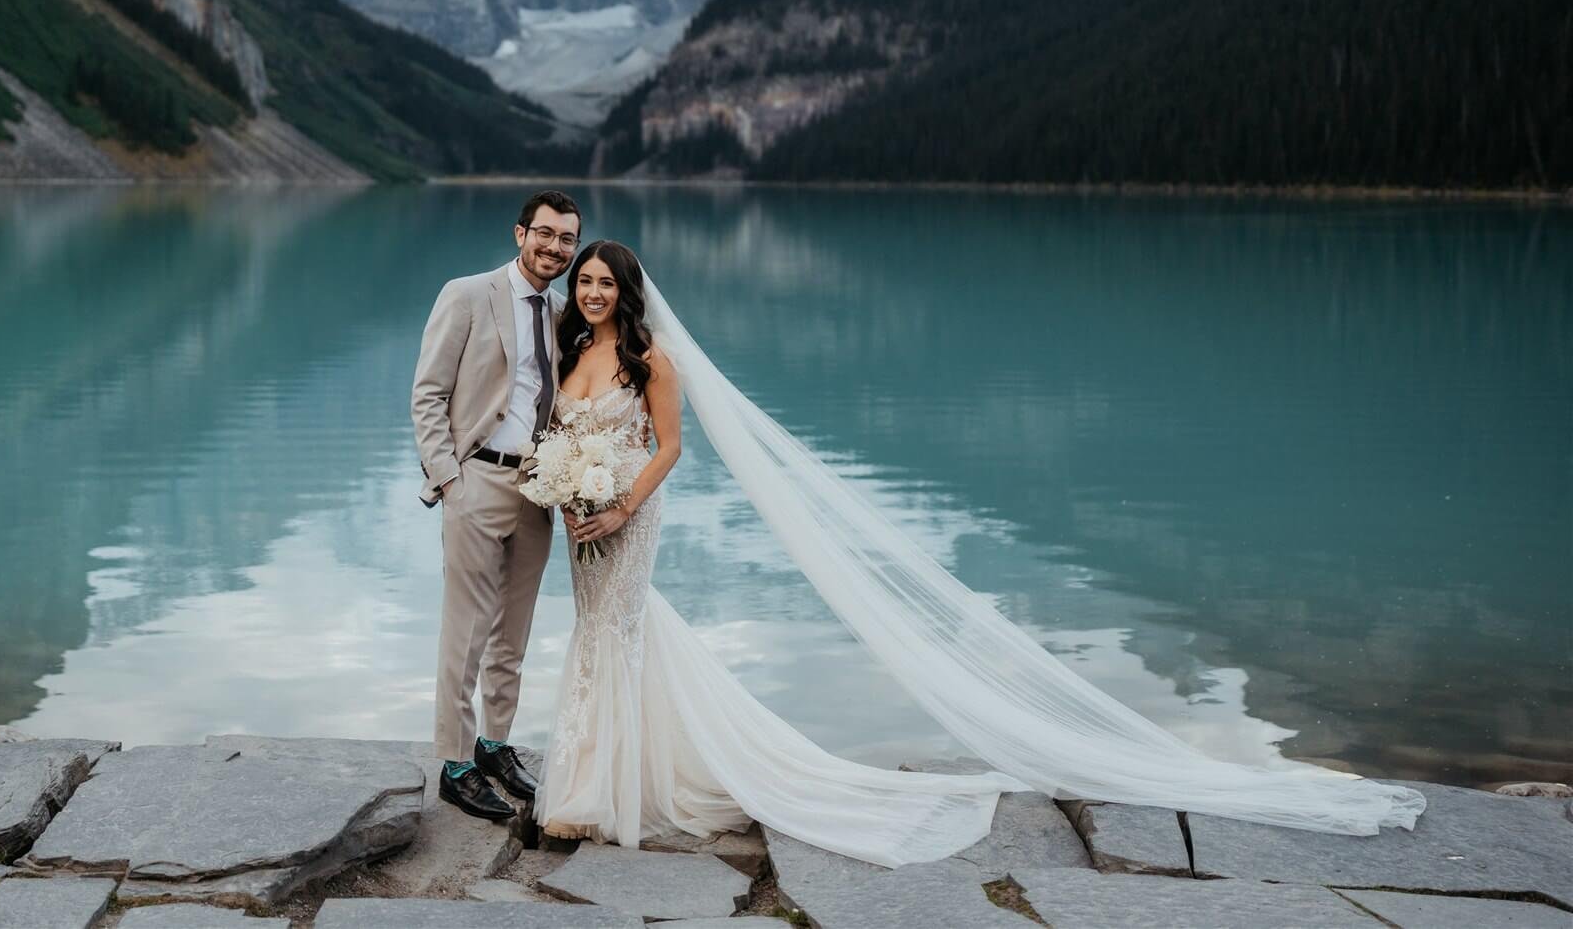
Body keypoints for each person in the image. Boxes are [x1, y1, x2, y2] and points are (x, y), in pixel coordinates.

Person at [529, 239, 1428, 866]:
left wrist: (618, 508)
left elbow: (670, 449)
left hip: (629, 520)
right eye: (589, 281)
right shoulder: (572, 349)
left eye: (608, 281)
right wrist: (574, 488)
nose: (596, 292)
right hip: (584, 519)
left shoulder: (654, 361)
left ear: (631, 290)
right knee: (602, 635)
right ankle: (617, 772)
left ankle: (597, 794)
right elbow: (570, 433)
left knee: (621, 631)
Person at [412, 189, 581, 821]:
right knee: (466, 630)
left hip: (537, 490)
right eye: (546, 234)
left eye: (566, 239)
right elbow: (428, 392)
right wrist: (448, 479)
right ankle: (455, 765)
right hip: (476, 480)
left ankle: (495, 746)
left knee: (513, 631)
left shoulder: (563, 313)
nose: (555, 248)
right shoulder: (467, 294)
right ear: (520, 234)